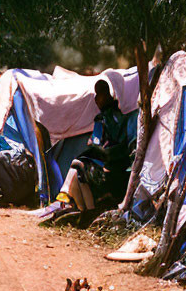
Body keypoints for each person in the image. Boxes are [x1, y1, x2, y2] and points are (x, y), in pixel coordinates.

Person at [42, 80, 134, 225]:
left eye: (98, 96)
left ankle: (81, 208)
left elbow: (109, 146)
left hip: (112, 165)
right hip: (111, 162)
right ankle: (81, 208)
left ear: (105, 95)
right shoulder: (112, 116)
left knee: (77, 165)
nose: (96, 101)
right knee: (77, 167)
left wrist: (95, 146)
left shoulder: (108, 118)